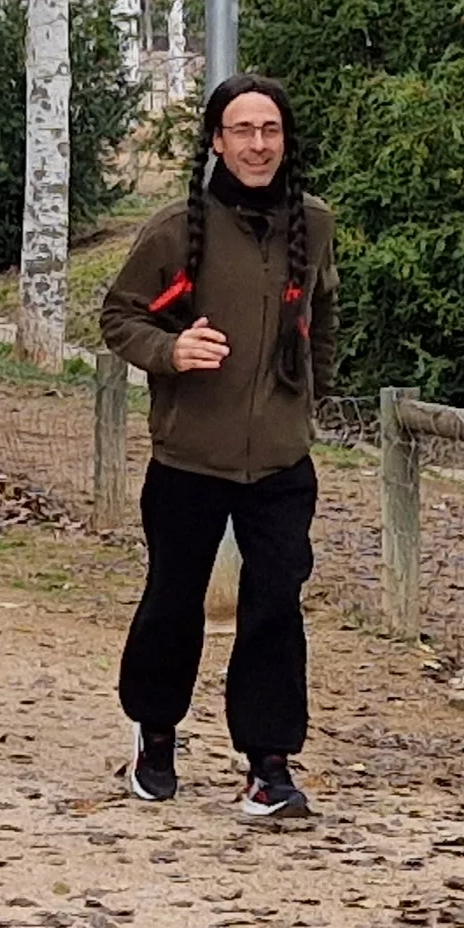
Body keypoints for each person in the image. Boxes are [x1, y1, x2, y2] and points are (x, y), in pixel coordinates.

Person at [99, 73, 337, 826]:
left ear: (284, 140)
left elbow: (323, 319)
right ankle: (155, 731)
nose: (258, 145)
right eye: (242, 130)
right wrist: (173, 353)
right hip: (187, 460)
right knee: (175, 602)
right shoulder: (176, 228)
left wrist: (309, 399)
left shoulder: (316, 224)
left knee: (276, 605)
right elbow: (119, 317)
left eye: (269, 130)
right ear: (217, 140)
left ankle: (268, 764)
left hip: (279, 462)